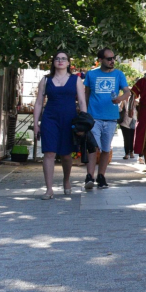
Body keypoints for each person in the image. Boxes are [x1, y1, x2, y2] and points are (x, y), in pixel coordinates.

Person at [33, 51, 87, 199]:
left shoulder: (76, 80)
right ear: (53, 62)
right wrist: (36, 124)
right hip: (50, 119)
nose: (60, 61)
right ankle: (49, 189)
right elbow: (38, 103)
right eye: (57, 58)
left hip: (69, 119)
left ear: (68, 63)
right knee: (49, 152)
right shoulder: (45, 80)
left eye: (64, 59)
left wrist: (84, 122)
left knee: (66, 155)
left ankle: (66, 179)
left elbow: (82, 102)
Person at [83, 48, 131, 189]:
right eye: (109, 59)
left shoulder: (118, 74)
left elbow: (127, 91)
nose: (112, 61)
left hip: (110, 117)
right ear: (101, 60)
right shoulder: (91, 74)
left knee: (105, 148)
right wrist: (84, 112)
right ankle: (89, 176)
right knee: (93, 147)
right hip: (94, 117)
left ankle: (101, 176)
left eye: (113, 58)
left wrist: (119, 99)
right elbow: (86, 94)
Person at [118, 95, 136, 160]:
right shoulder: (124, 101)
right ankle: (127, 153)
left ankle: (131, 152)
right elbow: (119, 110)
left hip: (133, 122)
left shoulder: (135, 101)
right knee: (126, 138)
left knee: (132, 138)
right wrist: (122, 103)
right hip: (124, 123)